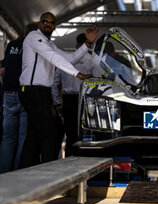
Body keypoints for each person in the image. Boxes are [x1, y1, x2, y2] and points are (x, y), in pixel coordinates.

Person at [18, 12, 98, 168]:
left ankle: (25, 170)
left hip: (41, 92)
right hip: (33, 91)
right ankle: (50, 172)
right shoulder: (34, 37)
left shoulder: (49, 43)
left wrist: (87, 44)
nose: (48, 24)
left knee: (33, 136)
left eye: (52, 22)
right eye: (45, 21)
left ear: (55, 26)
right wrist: (78, 74)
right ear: (39, 23)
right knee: (50, 132)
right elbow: (54, 58)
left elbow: (69, 58)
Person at [52, 33, 100, 157]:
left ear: (76, 45)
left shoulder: (65, 61)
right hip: (86, 100)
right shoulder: (93, 61)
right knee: (86, 133)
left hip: (68, 101)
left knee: (70, 134)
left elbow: (54, 84)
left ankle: (68, 159)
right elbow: (99, 83)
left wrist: (57, 102)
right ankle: (84, 158)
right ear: (89, 45)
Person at [0, 23, 38, 174]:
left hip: (8, 94)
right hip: (24, 93)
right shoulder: (32, 47)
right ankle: (18, 172)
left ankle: (3, 173)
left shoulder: (11, 45)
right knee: (23, 136)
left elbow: (2, 71)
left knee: (8, 137)